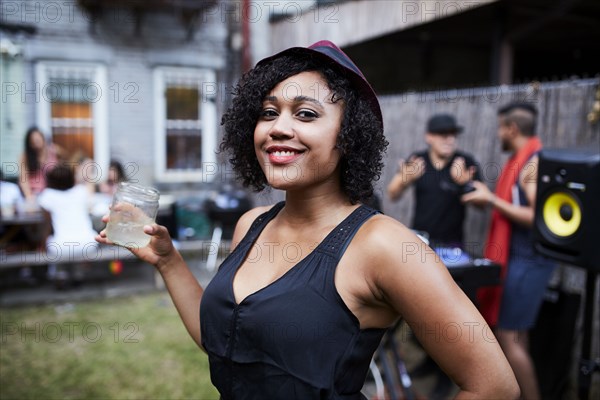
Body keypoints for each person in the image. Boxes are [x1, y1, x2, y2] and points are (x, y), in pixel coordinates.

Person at [97, 40, 519, 399]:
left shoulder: (383, 246)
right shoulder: (251, 224)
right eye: (268, 112)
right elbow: (224, 344)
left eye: (306, 114)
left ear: (348, 135)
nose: (278, 128)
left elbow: (494, 386)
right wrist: (169, 261)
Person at [461, 102, 557, 400]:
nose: (498, 133)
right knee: (518, 336)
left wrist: (491, 200)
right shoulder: (523, 158)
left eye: (501, 127)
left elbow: (538, 216)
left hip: (528, 261)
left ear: (512, 129)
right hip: (521, 259)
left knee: (507, 337)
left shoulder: (532, 163)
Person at [387, 113, 480, 248]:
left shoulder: (465, 162)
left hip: (453, 244)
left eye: (453, 134)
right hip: (420, 241)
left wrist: (465, 184)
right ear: (429, 137)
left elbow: (482, 204)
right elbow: (392, 194)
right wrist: (406, 179)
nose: (450, 140)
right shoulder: (417, 160)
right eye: (443, 135)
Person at [38, 163, 98, 288]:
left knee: (55, 243)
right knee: (74, 246)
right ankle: (78, 275)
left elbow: (47, 227)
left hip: (61, 247)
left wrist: (43, 245)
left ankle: (60, 276)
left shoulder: (47, 195)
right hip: (88, 244)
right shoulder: (81, 191)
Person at [18, 127, 63, 200]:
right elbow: (23, 179)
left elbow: (63, 170)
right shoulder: (25, 156)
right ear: (29, 144)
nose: (36, 143)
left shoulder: (53, 151)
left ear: (43, 139)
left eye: (38, 139)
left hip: (51, 193)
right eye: (33, 141)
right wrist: (29, 196)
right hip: (34, 193)